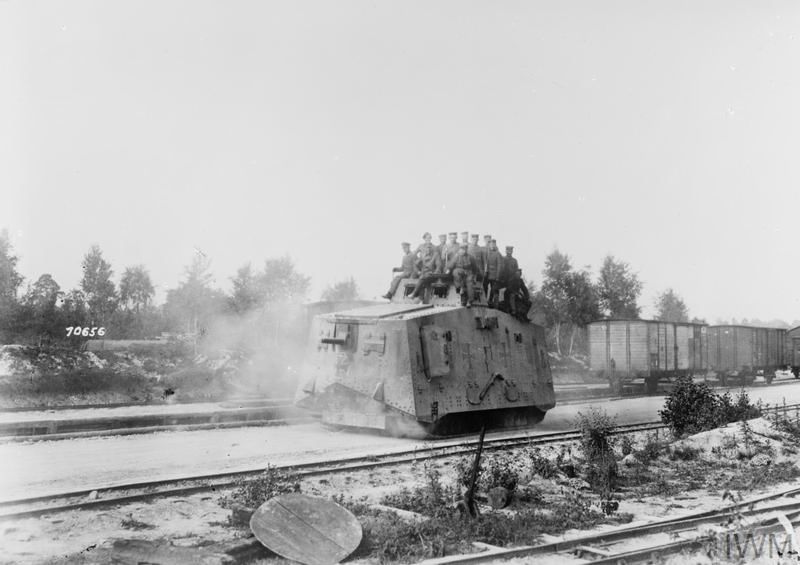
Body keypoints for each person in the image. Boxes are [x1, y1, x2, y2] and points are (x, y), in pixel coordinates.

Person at [484, 239, 504, 308]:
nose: (492, 246)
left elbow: (500, 265)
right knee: (485, 288)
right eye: (491, 244)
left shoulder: (498, 254)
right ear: (489, 245)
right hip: (487, 274)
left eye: (493, 244)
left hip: (494, 275)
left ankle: (493, 303)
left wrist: (498, 276)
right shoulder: (487, 253)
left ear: (495, 245)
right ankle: (484, 301)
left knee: (494, 290)